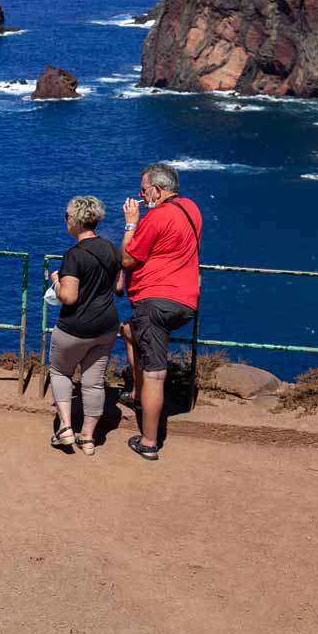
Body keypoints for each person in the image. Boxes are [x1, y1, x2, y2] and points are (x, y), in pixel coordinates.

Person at [118, 163, 203, 461]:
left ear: (157, 190)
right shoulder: (191, 209)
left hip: (155, 303)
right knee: (129, 331)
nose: (141, 195)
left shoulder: (156, 218)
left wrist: (131, 223)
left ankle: (149, 443)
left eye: (143, 190)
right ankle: (136, 394)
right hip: (185, 302)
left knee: (155, 374)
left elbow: (128, 259)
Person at [47, 195, 122, 455]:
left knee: (59, 372)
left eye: (66, 217)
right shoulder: (112, 249)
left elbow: (69, 296)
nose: (65, 221)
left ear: (75, 221)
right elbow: (119, 287)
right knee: (93, 382)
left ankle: (66, 427)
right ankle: (88, 438)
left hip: (75, 327)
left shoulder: (74, 255)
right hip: (107, 325)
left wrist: (55, 280)